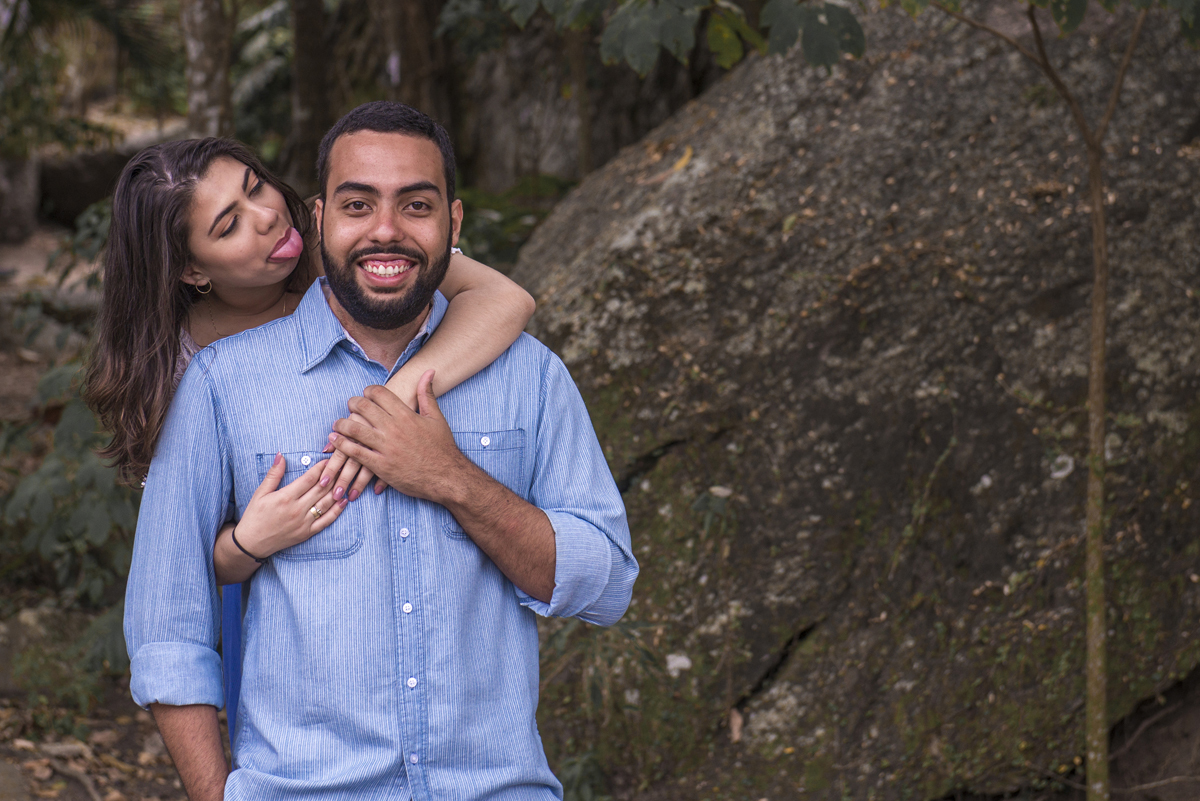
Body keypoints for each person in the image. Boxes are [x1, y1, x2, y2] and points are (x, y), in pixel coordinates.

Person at [124, 101, 637, 800]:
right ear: (324, 215)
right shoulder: (217, 381)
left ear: (454, 224)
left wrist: (451, 476)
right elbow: (167, 628)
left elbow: (607, 586)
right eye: (358, 203)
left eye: (416, 204)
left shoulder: (529, 375)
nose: (386, 228)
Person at [86, 137, 535, 576]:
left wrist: (390, 400)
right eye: (229, 225)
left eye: (256, 185)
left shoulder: (343, 238)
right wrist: (248, 543)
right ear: (192, 269)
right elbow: (181, 555)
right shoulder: (181, 367)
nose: (267, 216)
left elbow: (505, 300)